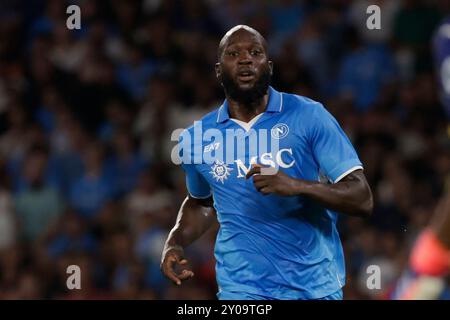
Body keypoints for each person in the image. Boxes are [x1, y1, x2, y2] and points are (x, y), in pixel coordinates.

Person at [161, 25, 373, 300]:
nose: (245, 59)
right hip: (242, 290)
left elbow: (362, 198)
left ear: (269, 66)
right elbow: (201, 202)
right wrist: (174, 242)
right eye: (233, 53)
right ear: (218, 70)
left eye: (255, 52)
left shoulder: (309, 116)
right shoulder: (196, 138)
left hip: (314, 287)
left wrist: (296, 185)